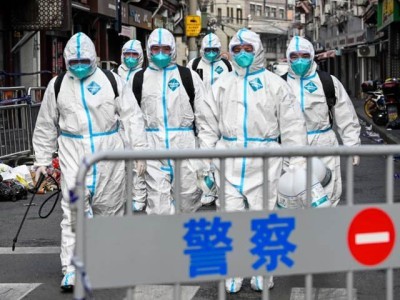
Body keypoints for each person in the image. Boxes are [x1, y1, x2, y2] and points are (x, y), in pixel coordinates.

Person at [33, 32, 148, 290]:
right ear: (65, 61)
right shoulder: (58, 85)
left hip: (109, 153)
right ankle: (72, 268)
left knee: (109, 210)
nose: (79, 66)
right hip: (73, 152)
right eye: (73, 62)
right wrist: (41, 159)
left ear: (94, 57)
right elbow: (45, 125)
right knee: (73, 211)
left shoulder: (111, 81)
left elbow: (132, 117)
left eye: (84, 60)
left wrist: (139, 150)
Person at [197, 28, 308, 293]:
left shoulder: (275, 84)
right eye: (237, 50)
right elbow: (207, 125)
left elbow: (293, 129)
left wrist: (296, 166)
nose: (243, 54)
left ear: (257, 51)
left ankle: (264, 272)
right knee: (230, 218)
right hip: (227, 160)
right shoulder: (222, 84)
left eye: (248, 49)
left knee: (265, 218)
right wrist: (206, 164)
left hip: (265, 161)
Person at [127, 28, 206, 215]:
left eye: (165, 48)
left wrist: (205, 155)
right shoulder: (139, 79)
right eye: (155, 49)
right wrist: (138, 150)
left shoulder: (188, 77)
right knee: (158, 207)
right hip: (153, 147)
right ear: (148, 50)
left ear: (172, 50)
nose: (160, 53)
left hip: (185, 148)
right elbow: (132, 118)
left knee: (187, 203)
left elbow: (204, 117)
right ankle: (164, 242)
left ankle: (183, 240)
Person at [285, 36, 361, 207]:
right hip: (289, 148)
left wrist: (352, 146)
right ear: (288, 57)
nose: (299, 60)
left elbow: (346, 116)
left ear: (312, 56)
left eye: (304, 55)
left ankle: (324, 229)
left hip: (324, 145)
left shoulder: (327, 82)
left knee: (327, 194)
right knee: (292, 196)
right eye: (294, 56)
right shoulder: (279, 84)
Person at [187, 33, 233, 206]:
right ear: (202, 50)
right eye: (208, 50)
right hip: (202, 113)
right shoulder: (195, 65)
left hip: (222, 111)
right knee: (205, 148)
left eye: (215, 50)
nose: (212, 53)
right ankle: (208, 186)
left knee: (221, 149)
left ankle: (222, 185)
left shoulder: (227, 65)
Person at [116, 39, 147, 211]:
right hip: (118, 126)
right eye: (127, 54)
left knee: (138, 164)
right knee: (119, 165)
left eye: (134, 54)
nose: (130, 57)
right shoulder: (114, 74)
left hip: (138, 123)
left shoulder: (144, 75)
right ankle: (121, 195)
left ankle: (139, 197)